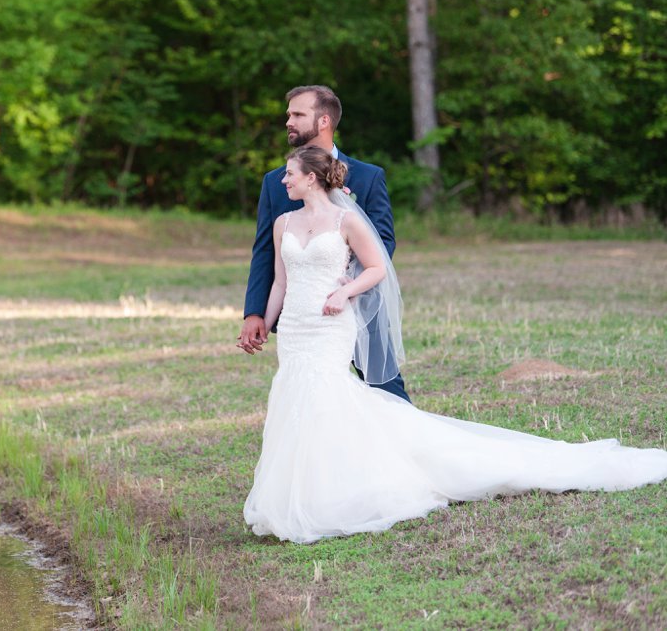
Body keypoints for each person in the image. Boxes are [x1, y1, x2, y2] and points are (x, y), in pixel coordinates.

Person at [241, 146, 667, 542]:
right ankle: (305, 492)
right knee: (295, 396)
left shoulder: (345, 221)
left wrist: (345, 291)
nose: (283, 181)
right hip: (296, 328)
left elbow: (377, 268)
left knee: (326, 396)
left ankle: (336, 494)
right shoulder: (284, 223)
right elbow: (280, 281)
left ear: (312, 179)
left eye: (290, 174)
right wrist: (263, 321)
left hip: (332, 323)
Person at [238, 85, 410, 403]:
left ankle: (410, 450)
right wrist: (255, 313)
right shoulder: (276, 182)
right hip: (303, 315)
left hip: (361, 301)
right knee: (310, 395)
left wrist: (351, 286)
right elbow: (264, 252)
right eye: (289, 114)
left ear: (324, 121)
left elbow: (384, 240)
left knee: (386, 391)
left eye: (298, 114)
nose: (288, 120)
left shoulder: (368, 177)